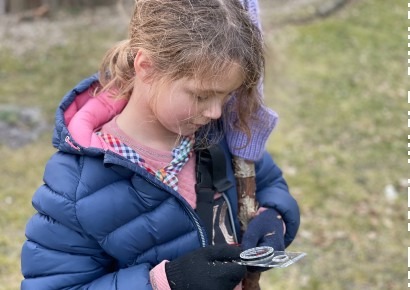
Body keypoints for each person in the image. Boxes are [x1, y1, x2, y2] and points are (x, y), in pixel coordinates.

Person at [20, 0, 300, 289]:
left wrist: (274, 218)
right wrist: (165, 283)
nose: (216, 111)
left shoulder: (217, 132)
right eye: (202, 96)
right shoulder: (76, 188)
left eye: (227, 95)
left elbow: (267, 181)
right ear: (146, 67)